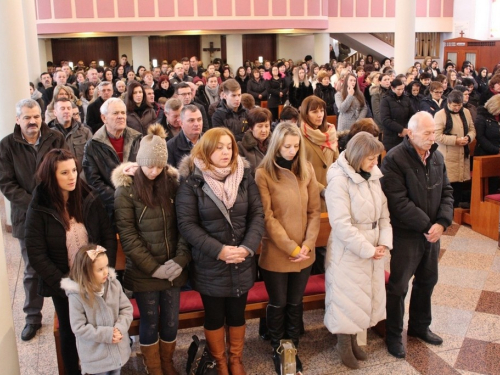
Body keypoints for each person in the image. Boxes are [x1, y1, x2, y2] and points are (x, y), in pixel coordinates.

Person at [176, 128, 264, 375]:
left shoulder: (244, 176)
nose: (226, 152)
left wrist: (247, 248)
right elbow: (187, 225)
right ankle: (220, 362)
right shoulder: (192, 181)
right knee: (215, 316)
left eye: (229, 147)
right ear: (206, 150)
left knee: (237, 314)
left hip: (242, 259)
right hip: (210, 262)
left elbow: (257, 214)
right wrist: (220, 251)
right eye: (219, 147)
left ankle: (235, 359)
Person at [25, 149, 116, 374]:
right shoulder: (39, 207)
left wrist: (105, 271)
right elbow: (36, 253)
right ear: (51, 176)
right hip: (64, 285)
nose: (72, 176)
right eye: (64, 172)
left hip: (96, 280)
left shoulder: (88, 196)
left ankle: (101, 368)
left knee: (99, 327)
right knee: (69, 330)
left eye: (74, 170)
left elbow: (106, 235)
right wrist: (68, 285)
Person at [113, 124, 191, 375]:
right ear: (139, 162)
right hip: (145, 271)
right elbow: (128, 235)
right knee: (149, 321)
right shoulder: (126, 190)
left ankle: (167, 363)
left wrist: (179, 260)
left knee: (170, 321)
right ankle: (154, 367)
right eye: (149, 166)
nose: (154, 171)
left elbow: (185, 225)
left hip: (172, 268)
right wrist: (154, 268)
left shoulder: (173, 184)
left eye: (159, 166)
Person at [380, 111, 454, 359]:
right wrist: (427, 226)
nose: (432, 137)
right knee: (399, 286)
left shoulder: (437, 157)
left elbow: (447, 191)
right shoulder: (394, 159)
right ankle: (393, 336)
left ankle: (419, 327)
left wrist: (442, 223)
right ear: (410, 133)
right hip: (407, 234)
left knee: (427, 281)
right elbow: (398, 202)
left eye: (434, 132)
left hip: (432, 233)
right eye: (427, 133)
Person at [255, 122, 321, 374]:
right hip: (278, 253)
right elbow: (267, 218)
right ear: (277, 145)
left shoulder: (307, 170)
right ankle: (278, 349)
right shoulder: (264, 174)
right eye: (287, 146)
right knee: (279, 302)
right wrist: (292, 248)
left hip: (304, 252)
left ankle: (292, 349)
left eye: (296, 146)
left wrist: (307, 244)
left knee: (295, 302)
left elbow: (314, 211)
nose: (292, 151)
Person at [0, 99, 68, 342]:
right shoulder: (7, 145)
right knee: (31, 269)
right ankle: (32, 317)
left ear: (42, 117)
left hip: (57, 212)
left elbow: (65, 168)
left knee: (62, 262)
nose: (32, 121)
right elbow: (7, 183)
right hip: (26, 216)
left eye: (36, 116)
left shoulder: (55, 138)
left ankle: (70, 310)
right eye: (27, 117)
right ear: (18, 119)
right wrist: (35, 204)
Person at [324, 132, 392, 369]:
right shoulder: (339, 181)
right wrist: (367, 249)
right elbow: (341, 224)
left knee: (363, 296)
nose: (375, 162)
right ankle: (343, 344)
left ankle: (353, 342)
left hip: (372, 245)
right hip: (349, 249)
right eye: (371, 158)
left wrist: (383, 242)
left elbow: (384, 213)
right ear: (358, 156)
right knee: (347, 297)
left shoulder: (372, 176)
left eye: (376, 158)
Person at [61, 245, 133, 375]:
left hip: (118, 350)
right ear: (86, 272)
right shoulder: (77, 296)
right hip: (96, 357)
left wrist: (119, 328)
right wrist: (107, 334)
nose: (106, 271)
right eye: (100, 269)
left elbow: (126, 309)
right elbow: (79, 327)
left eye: (106, 266)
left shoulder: (114, 284)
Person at [83, 98, 142, 222]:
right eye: (115, 113)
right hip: (110, 208)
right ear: (104, 118)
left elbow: (145, 169)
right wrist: (119, 198)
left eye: (123, 113)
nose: (121, 116)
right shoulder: (93, 145)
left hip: (139, 203)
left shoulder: (138, 139)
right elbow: (94, 181)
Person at [434, 90, 476, 208]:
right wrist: (455, 140)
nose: (457, 108)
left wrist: (468, 137)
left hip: (462, 153)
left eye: (459, 105)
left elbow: (472, 129)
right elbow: (437, 136)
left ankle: (456, 209)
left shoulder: (466, 112)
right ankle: (446, 210)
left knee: (459, 184)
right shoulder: (440, 114)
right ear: (448, 103)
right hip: (448, 154)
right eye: (454, 105)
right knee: (448, 184)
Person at [299, 96, 339, 213]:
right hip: (310, 193)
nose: (320, 115)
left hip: (333, 193)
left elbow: (337, 163)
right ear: (305, 114)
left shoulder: (330, 133)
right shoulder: (299, 136)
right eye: (314, 111)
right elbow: (299, 170)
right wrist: (321, 189)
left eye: (322, 111)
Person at [380, 78, 416, 151]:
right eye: (398, 89)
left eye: (402, 89)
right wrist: (401, 129)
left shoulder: (406, 99)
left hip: (406, 135)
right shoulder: (385, 100)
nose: (401, 91)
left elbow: (413, 116)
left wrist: (406, 130)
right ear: (392, 88)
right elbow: (386, 120)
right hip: (391, 137)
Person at [237, 107, 272, 175]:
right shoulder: (240, 147)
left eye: (267, 126)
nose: (264, 130)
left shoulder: (276, 144)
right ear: (251, 128)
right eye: (260, 126)